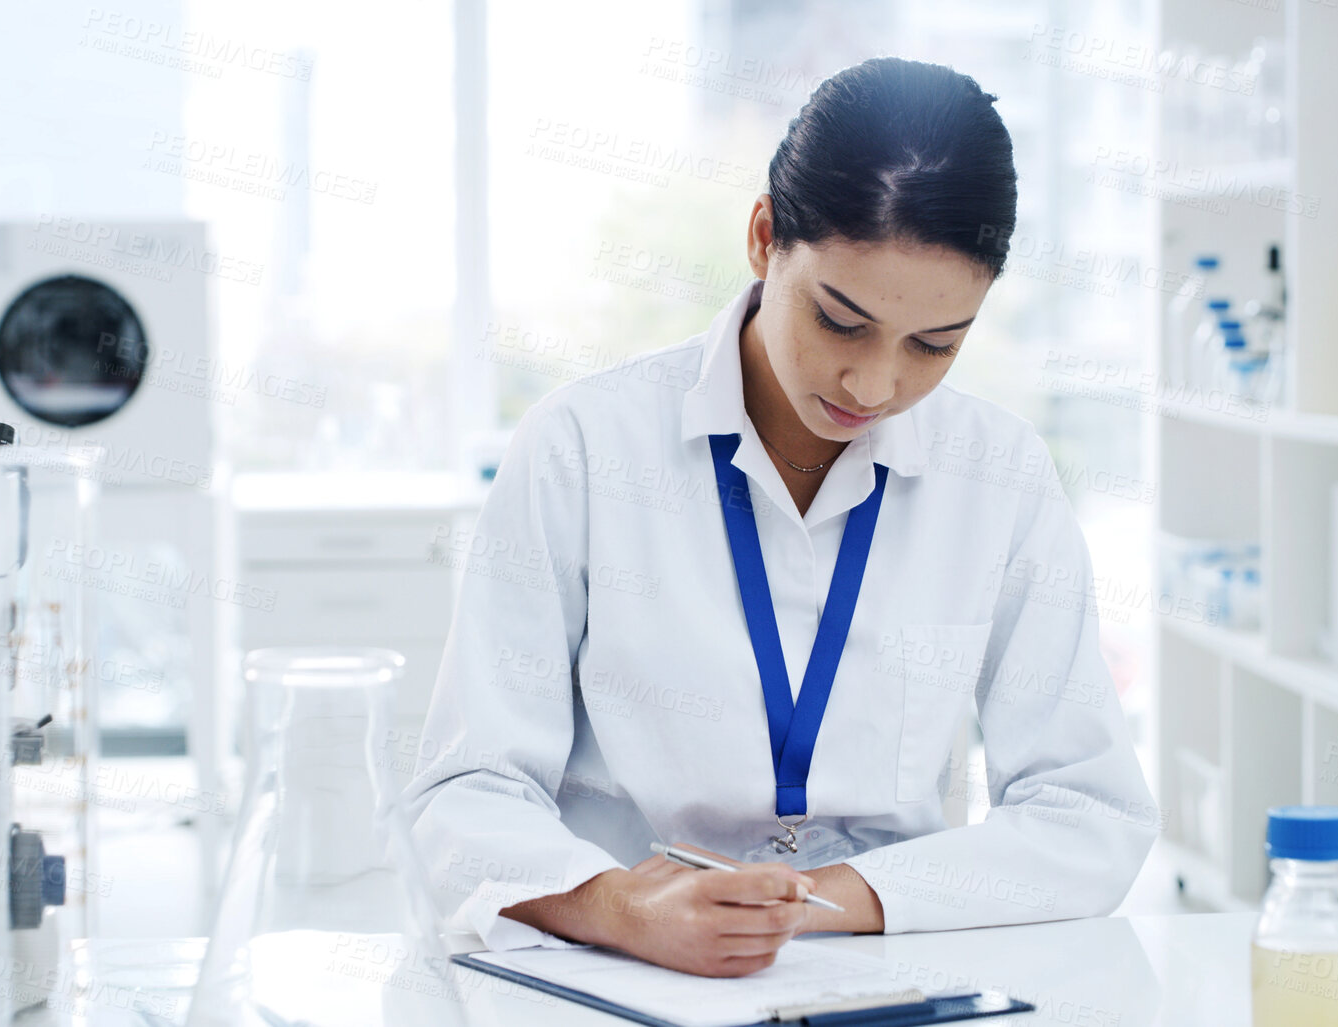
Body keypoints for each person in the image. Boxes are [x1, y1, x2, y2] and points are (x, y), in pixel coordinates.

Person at [404, 56, 1156, 978]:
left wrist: (820, 903)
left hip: (889, 968)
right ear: (764, 237)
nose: (875, 384)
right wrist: (622, 907)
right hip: (618, 972)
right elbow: (464, 789)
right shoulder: (583, 448)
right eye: (840, 320)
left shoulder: (997, 472)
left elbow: (1088, 813)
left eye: (934, 344)